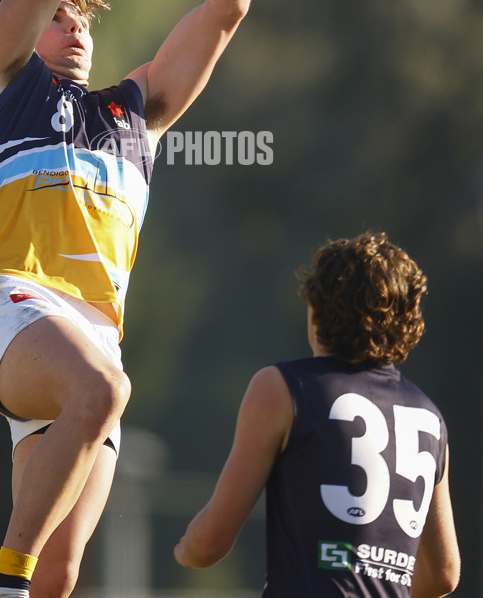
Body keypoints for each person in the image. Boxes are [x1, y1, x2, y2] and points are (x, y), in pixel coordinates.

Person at [0, 0, 282, 598]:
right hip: (10, 309)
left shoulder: (138, 114)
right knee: (102, 397)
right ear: (22, 30)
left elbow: (226, 8)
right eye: (62, 15)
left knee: (61, 579)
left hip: (89, 340)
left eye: (88, 19)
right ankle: (1, 583)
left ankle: (20, 582)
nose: (78, 26)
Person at [174, 232, 461, 597]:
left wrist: (186, 549)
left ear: (316, 311)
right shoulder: (429, 417)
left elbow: (209, 544)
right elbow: (444, 574)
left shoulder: (283, 388)